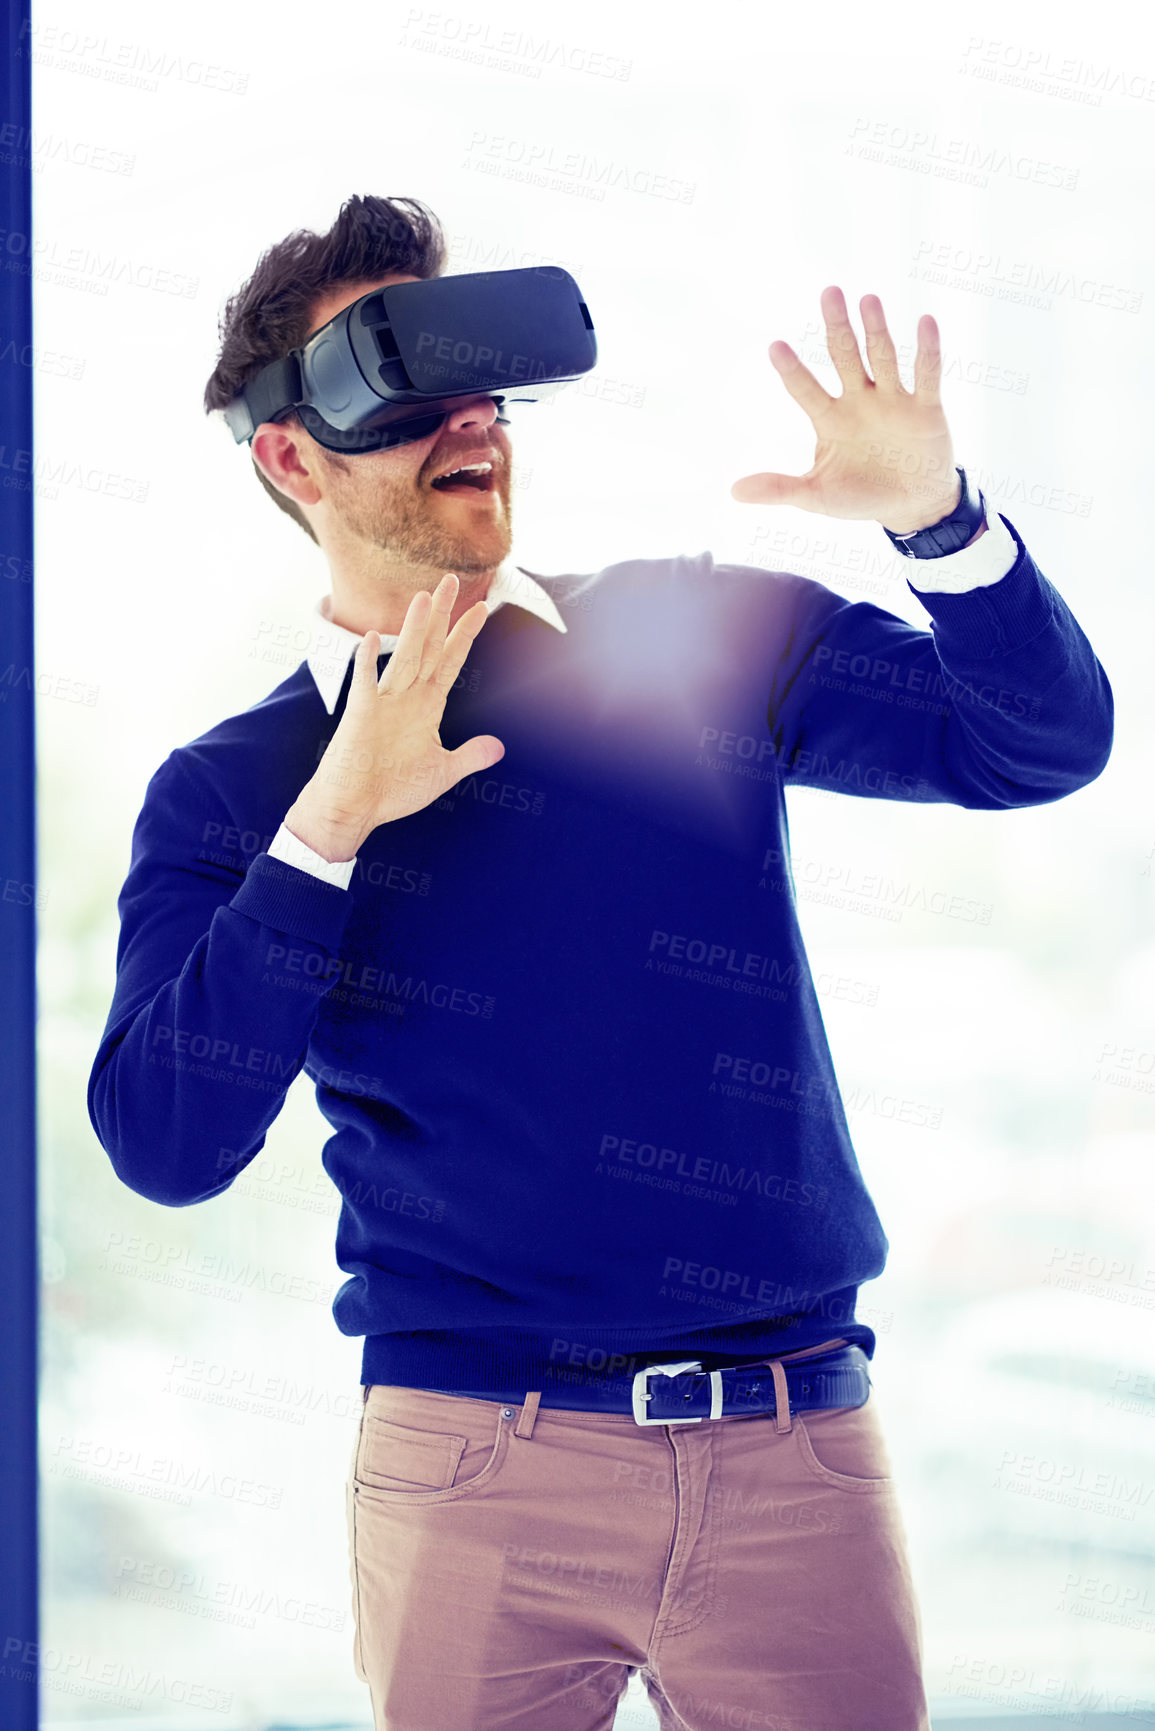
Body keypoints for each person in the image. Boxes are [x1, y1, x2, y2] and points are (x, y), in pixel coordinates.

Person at [88, 194, 1113, 1731]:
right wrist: (328, 833)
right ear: (292, 457)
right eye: (398, 386)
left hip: (793, 1453)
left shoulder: (694, 639)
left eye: (481, 385)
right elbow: (166, 1146)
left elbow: (1036, 743)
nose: (468, 423)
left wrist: (942, 523)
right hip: (471, 1471)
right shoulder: (238, 794)